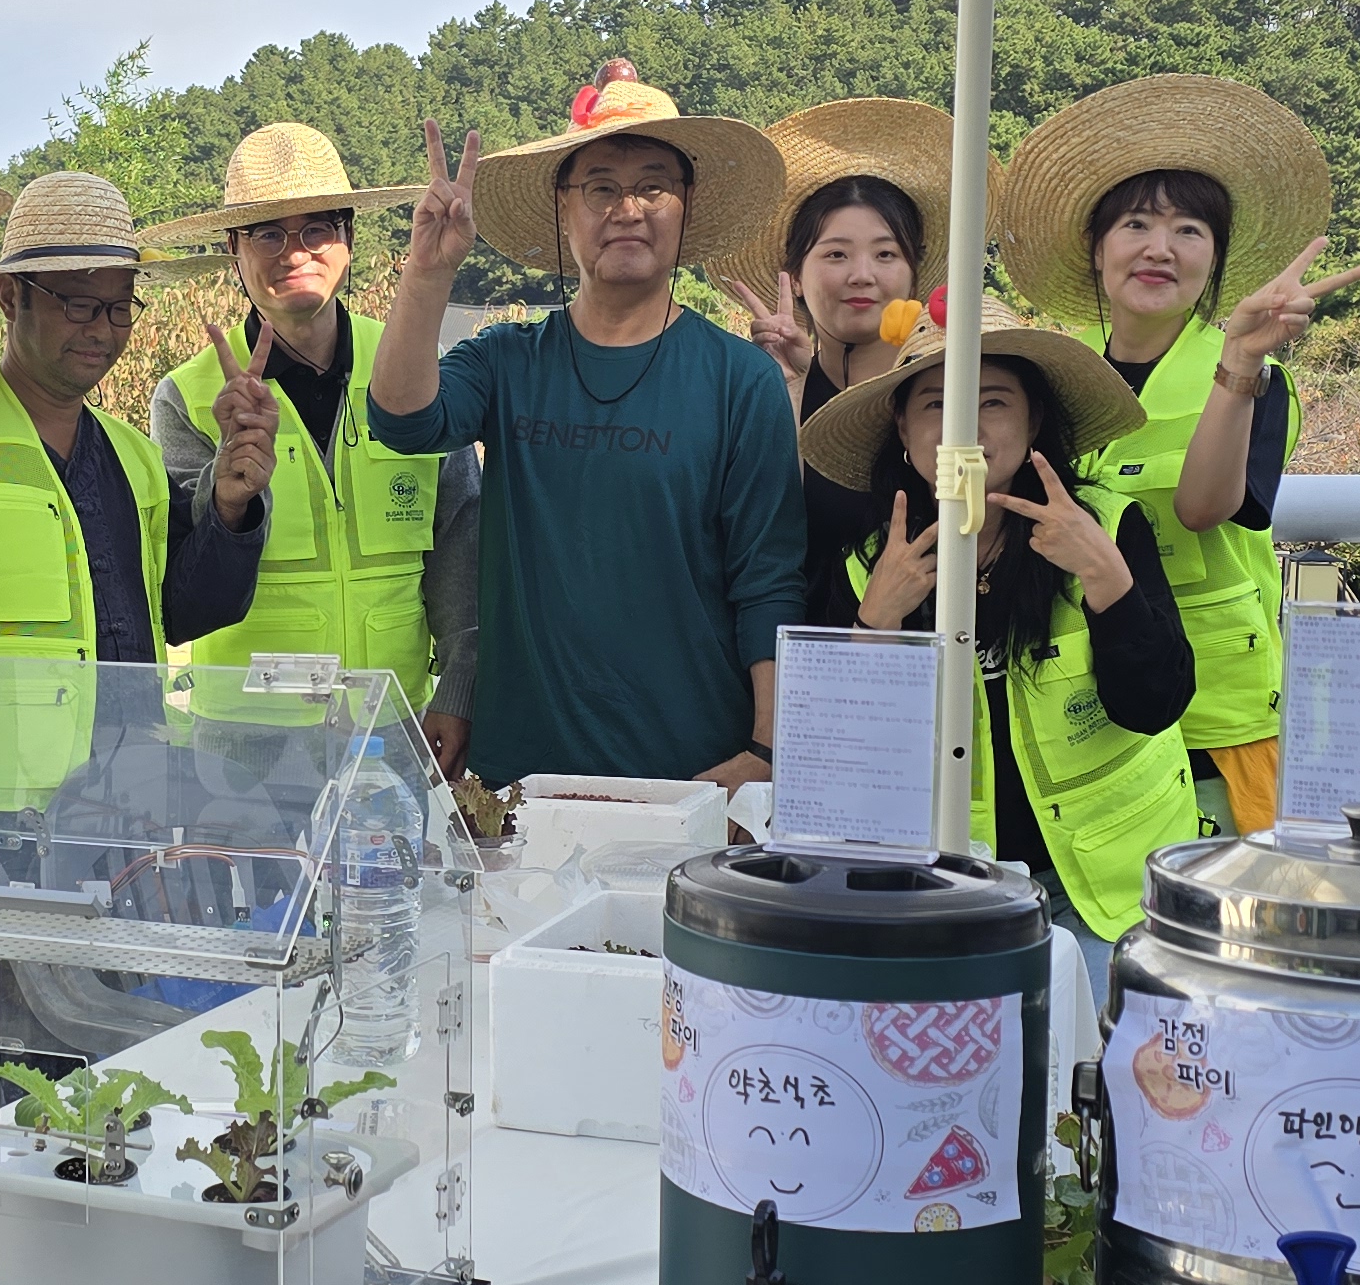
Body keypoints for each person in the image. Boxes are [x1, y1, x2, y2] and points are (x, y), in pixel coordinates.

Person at [369, 62, 801, 788]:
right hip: (524, 774)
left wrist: (763, 754)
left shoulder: (739, 380)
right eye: (601, 186)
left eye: (654, 186)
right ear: (564, 210)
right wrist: (428, 272)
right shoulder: (507, 361)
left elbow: (769, 580)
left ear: (686, 207)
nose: (627, 208)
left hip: (693, 771)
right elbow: (403, 419)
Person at [994, 75, 1360, 837]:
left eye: (1189, 230)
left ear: (1215, 258)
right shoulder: (1061, 383)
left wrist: (1238, 366)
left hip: (1220, 722)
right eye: (1135, 224)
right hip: (1095, 712)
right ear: (1096, 249)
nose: (1159, 249)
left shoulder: (1256, 380)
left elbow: (1203, 509)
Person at [801, 317, 1196, 939]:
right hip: (947, 888)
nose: (966, 425)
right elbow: (838, 765)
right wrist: (875, 620)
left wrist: (1103, 575)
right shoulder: (869, 562)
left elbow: (1155, 705)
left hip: (1111, 891)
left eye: (993, 402)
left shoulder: (1108, 527)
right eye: (937, 403)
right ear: (902, 428)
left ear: (1034, 422)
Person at [140, 123, 483, 775]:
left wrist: (461, 684)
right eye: (267, 232)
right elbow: (181, 587)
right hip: (240, 751)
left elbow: (462, 542)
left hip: (394, 731)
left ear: (348, 239)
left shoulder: (415, 369)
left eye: (317, 228)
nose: (294, 251)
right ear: (232, 249)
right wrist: (230, 488)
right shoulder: (185, 398)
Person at [0, 172, 276, 740]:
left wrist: (230, 504)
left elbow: (183, 613)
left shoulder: (134, 455)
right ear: (11, 296)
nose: (102, 332)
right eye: (80, 304)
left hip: (126, 793)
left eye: (119, 308)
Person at [722, 99, 949, 628]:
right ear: (795, 277)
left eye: (886, 254)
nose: (862, 275)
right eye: (836, 254)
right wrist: (784, 397)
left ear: (913, 273)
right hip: (807, 672)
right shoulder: (777, 390)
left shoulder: (952, 387)